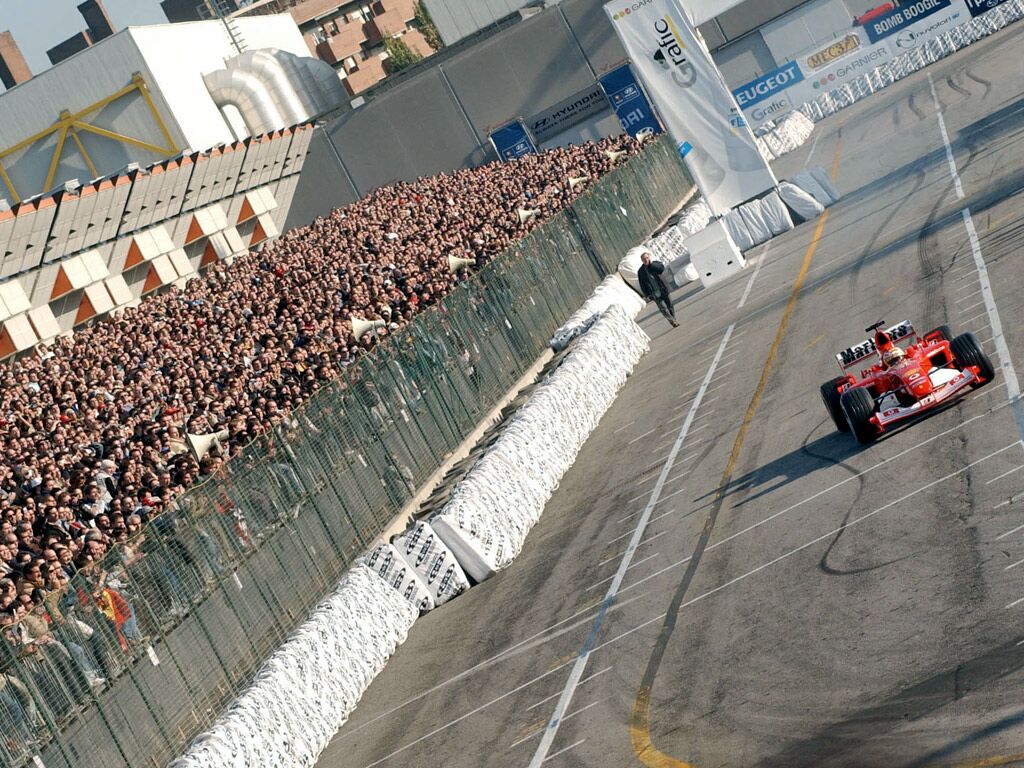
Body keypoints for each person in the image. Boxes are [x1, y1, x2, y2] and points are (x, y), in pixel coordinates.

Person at [637, 252, 678, 328]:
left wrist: (651, 264)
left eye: (647, 258)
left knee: (670, 305)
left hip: (663, 288)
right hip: (654, 293)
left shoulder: (655, 264)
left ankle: (673, 319)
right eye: (644, 259)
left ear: (649, 257)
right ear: (642, 261)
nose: (646, 260)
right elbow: (642, 284)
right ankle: (672, 321)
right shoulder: (641, 271)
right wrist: (647, 295)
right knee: (663, 308)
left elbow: (661, 269)